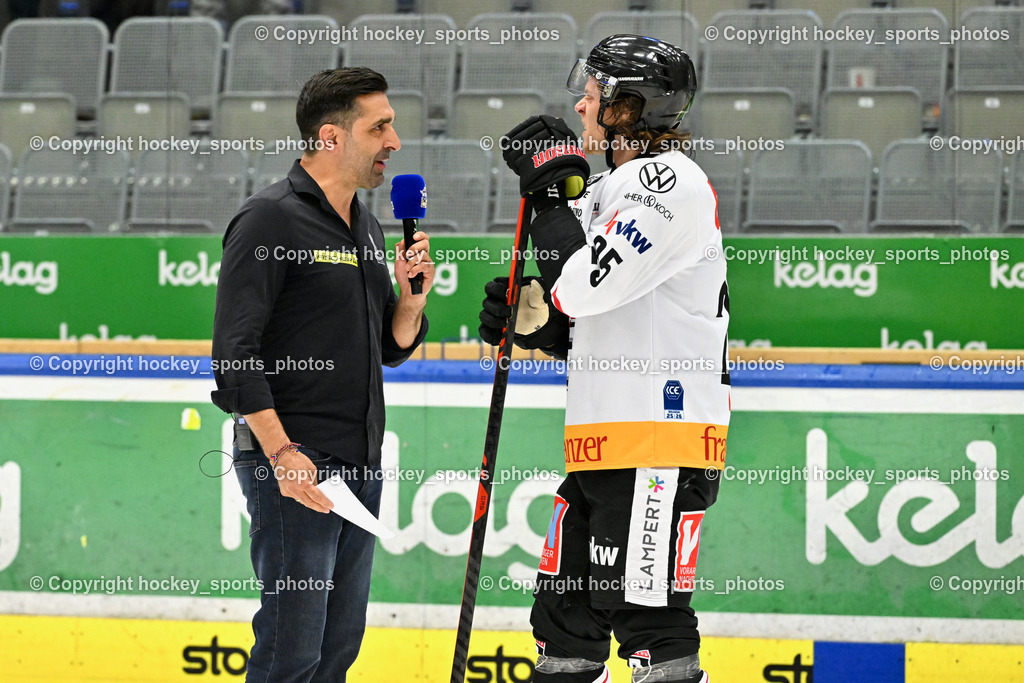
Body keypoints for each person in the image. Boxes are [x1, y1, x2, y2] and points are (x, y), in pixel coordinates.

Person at [479, 35, 729, 683]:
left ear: (626, 108)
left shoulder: (668, 181)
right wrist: (526, 317)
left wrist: (544, 199)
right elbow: (582, 313)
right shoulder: (615, 186)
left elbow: (584, 284)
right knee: (566, 614)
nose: (580, 105)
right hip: (605, 443)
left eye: (593, 94)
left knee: (648, 622)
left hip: (657, 443)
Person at [211, 67, 433, 682]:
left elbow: (386, 349)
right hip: (295, 467)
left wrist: (410, 306)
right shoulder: (269, 220)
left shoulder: (365, 224)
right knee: (291, 652)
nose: (394, 142)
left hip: (358, 465)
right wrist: (282, 452)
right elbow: (234, 353)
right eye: (380, 126)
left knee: (336, 650)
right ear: (332, 136)